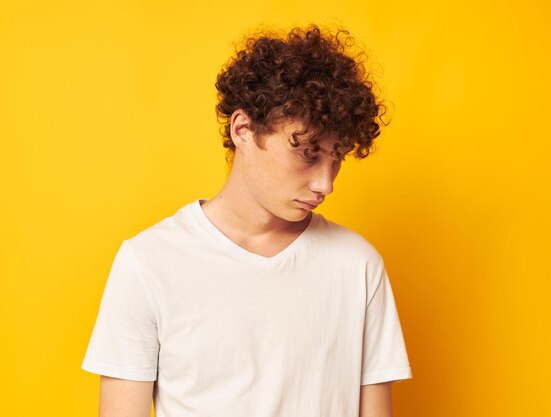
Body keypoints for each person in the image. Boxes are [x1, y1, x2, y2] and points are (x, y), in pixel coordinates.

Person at [82, 24, 412, 417]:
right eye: (308, 152)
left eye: (336, 156)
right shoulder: (148, 262)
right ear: (243, 130)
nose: (326, 183)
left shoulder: (357, 265)